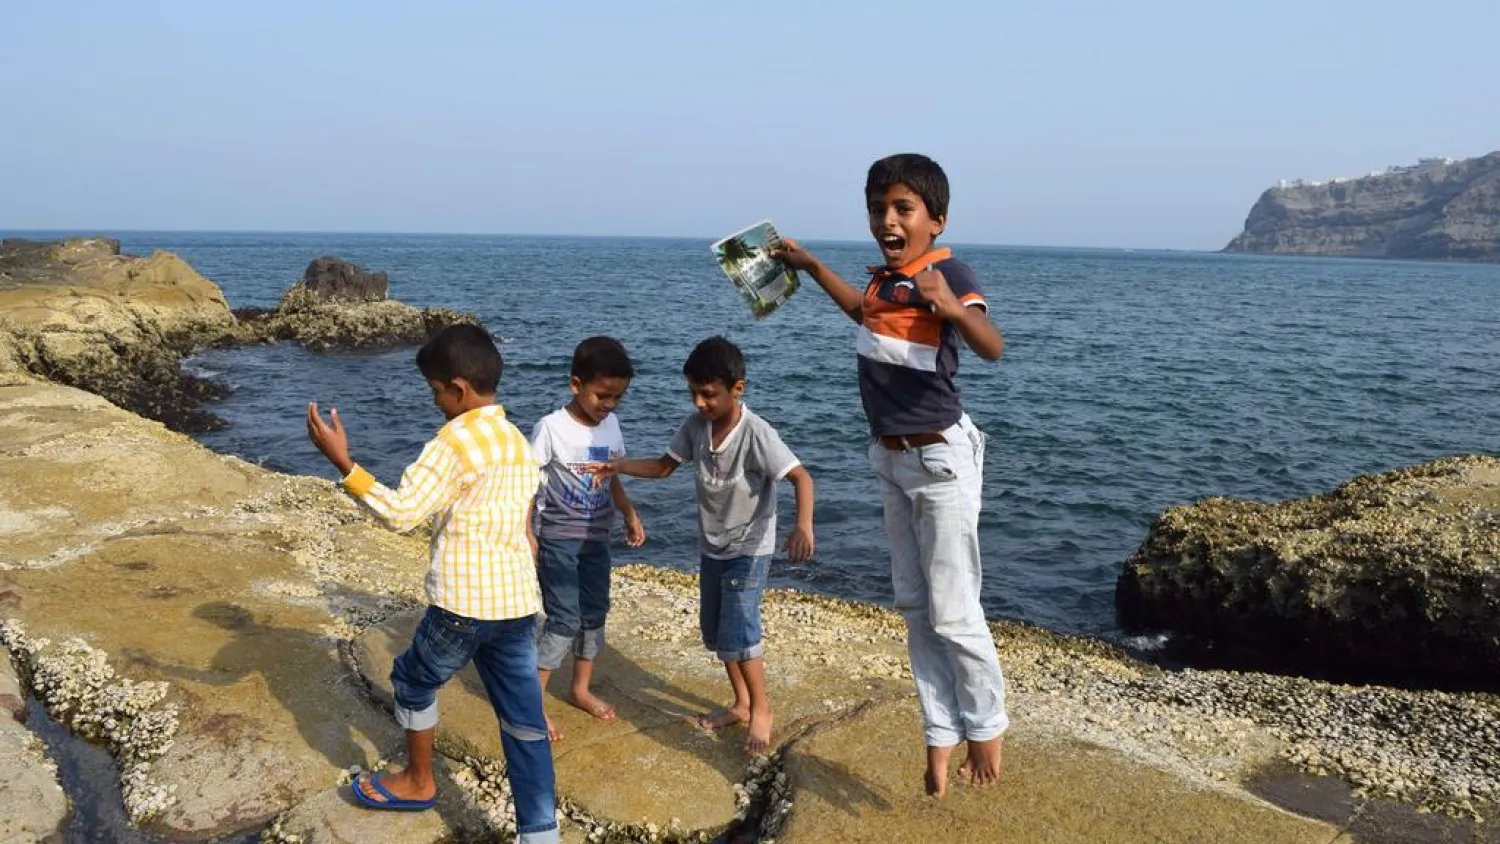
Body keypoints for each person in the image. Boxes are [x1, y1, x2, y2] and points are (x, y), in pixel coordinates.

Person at [773, 152, 1008, 798]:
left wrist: (954, 309)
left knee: (955, 609)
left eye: (903, 208)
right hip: (893, 458)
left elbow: (993, 346)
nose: (887, 220)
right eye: (878, 209)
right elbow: (863, 313)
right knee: (914, 607)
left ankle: (987, 727)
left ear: (937, 218)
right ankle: (939, 736)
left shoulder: (946, 271)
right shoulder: (883, 282)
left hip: (940, 459)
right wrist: (815, 267)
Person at [305, 323, 557, 842]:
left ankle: (420, 782)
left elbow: (402, 513)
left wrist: (344, 464)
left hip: (463, 606)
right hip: (515, 604)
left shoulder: (455, 440)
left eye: (435, 390)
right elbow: (525, 513)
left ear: (458, 388)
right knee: (524, 721)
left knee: (414, 681)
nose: (435, 400)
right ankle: (540, 833)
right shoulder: (513, 438)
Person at [589, 336, 814, 753]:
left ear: (737, 389)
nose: (699, 403)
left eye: (708, 394)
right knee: (716, 632)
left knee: (741, 626)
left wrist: (803, 527)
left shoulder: (756, 433)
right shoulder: (696, 427)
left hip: (751, 546)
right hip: (713, 546)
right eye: (693, 393)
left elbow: (801, 477)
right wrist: (619, 466)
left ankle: (762, 708)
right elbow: (662, 466)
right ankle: (742, 703)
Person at [530, 336, 645, 740]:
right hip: (559, 540)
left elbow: (611, 478)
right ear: (576, 384)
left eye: (617, 398)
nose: (609, 405)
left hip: (597, 539)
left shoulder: (611, 425)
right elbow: (527, 486)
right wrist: (527, 536)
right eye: (602, 395)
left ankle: (580, 688)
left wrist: (629, 512)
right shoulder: (550, 428)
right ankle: (534, 700)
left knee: (594, 614)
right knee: (563, 619)